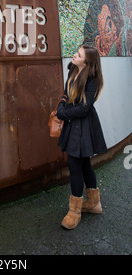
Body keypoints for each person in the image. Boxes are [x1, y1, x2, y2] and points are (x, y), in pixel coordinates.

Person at [56, 44, 107, 230]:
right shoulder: (73, 68)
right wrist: (61, 103)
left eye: (78, 55)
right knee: (84, 163)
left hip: (83, 125)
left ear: (87, 62)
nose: (74, 55)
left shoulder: (92, 79)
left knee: (75, 164)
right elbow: (66, 93)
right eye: (76, 52)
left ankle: (75, 211)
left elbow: (85, 108)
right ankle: (94, 204)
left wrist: (62, 114)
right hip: (73, 122)